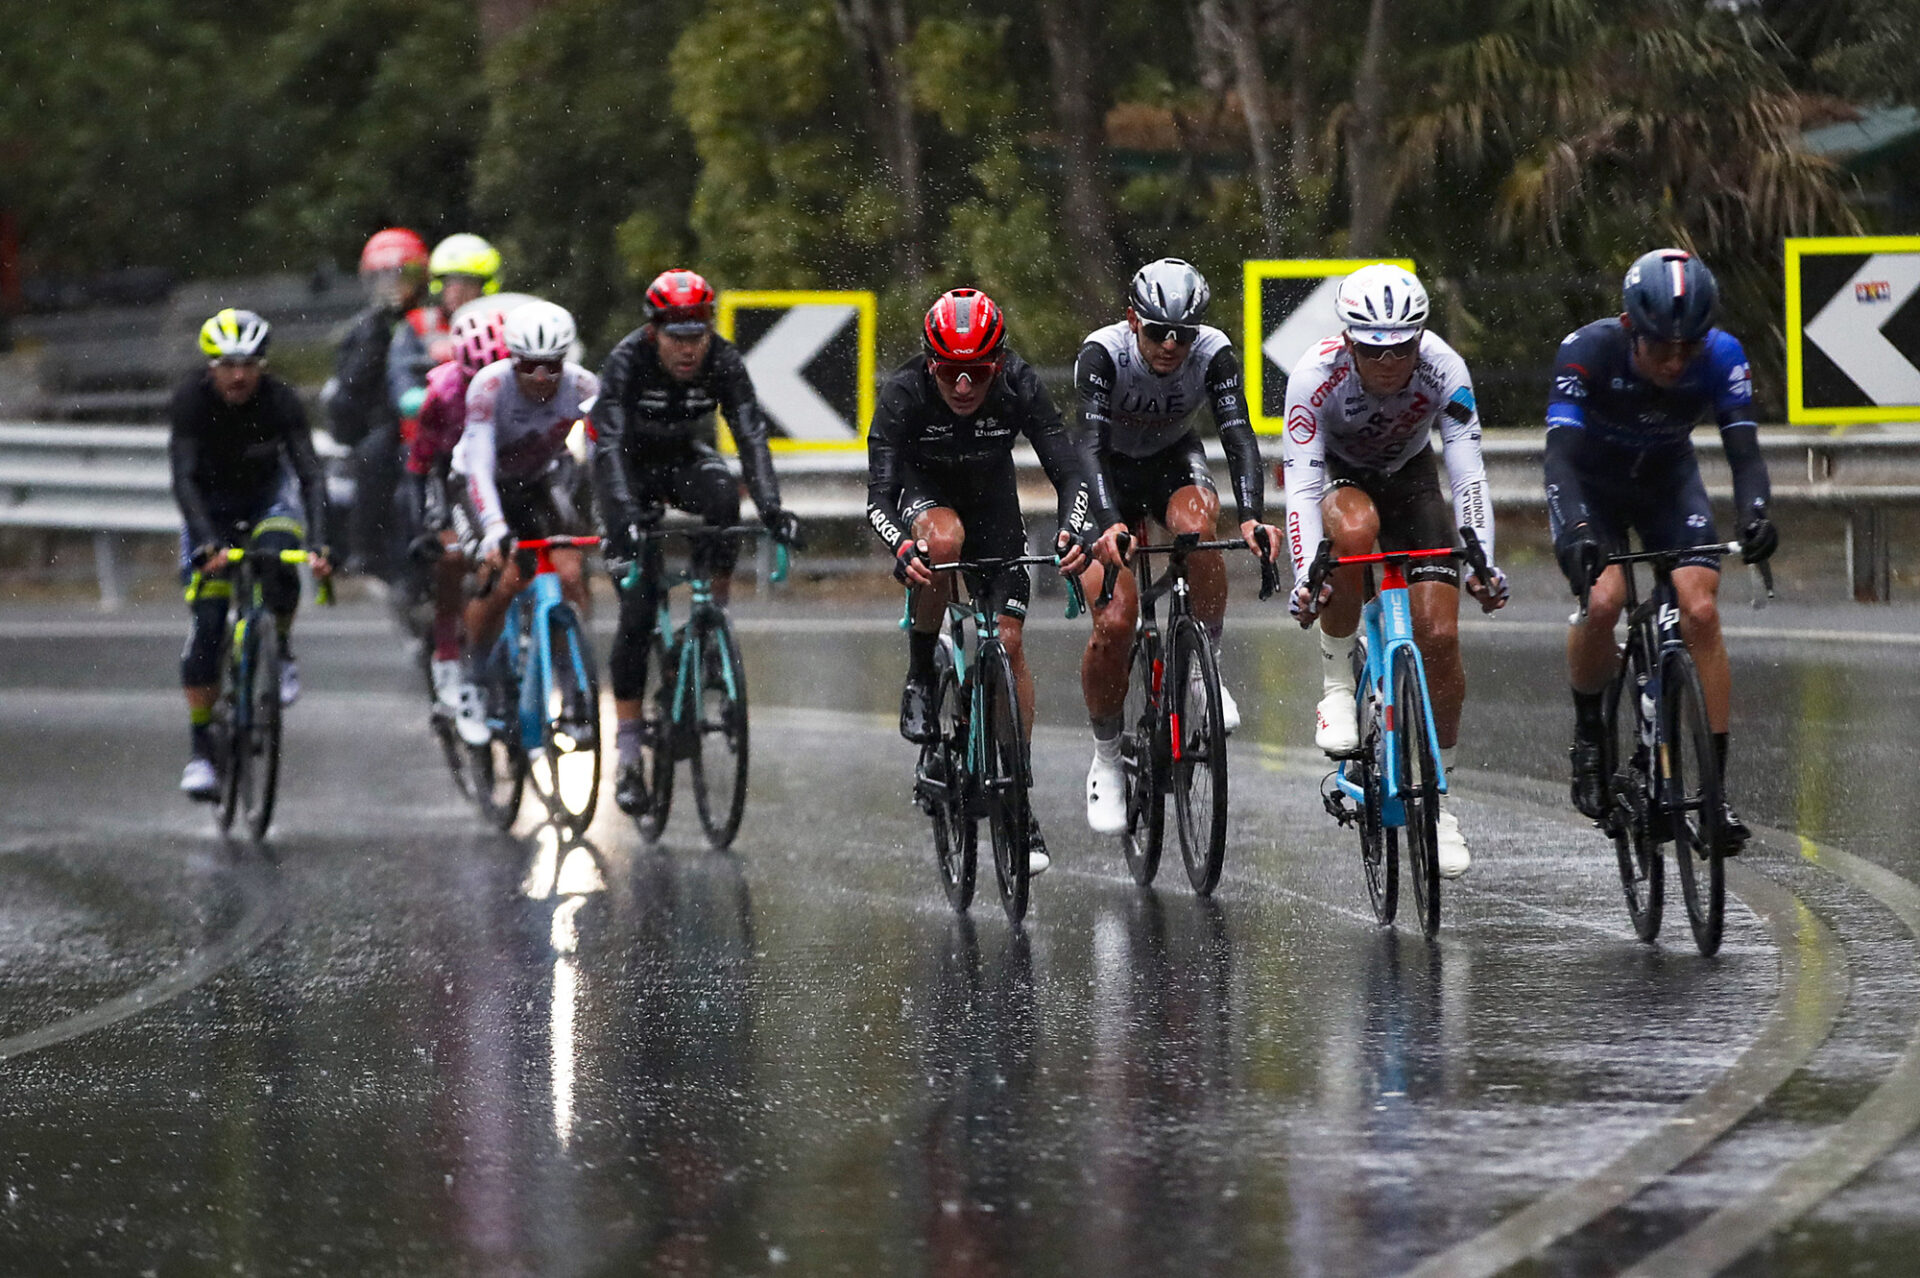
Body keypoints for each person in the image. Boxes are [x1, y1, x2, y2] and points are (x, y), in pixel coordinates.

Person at [866, 287, 1121, 876]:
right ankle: (921, 674)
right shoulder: (904, 394)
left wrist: (1070, 531)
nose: (963, 387)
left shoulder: (1018, 384)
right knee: (944, 541)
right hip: (923, 497)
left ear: (998, 363)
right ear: (932, 365)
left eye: (976, 372)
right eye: (951, 373)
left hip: (992, 501)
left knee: (1007, 641)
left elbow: (1070, 469)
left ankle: (1017, 799)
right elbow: (877, 494)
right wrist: (899, 544)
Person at [1282, 264, 1506, 879]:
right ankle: (1336, 685)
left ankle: (1440, 800)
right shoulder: (1313, 377)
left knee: (1440, 639)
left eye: (1402, 348)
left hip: (1412, 485)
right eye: (1375, 350)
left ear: (1420, 338)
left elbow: (1468, 476)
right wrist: (1306, 574)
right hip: (1341, 481)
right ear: (1350, 342)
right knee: (1353, 533)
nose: (1389, 363)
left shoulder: (1444, 370)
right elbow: (1301, 488)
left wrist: (1481, 558)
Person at [1547, 248, 1775, 848]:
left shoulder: (1722, 356)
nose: (1676, 361)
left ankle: (1714, 797)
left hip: (1667, 484)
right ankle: (1591, 735)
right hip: (1593, 492)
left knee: (1699, 608)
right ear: (1631, 330)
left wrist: (1755, 517)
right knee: (1604, 600)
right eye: (1660, 348)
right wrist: (1574, 533)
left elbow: (1744, 456)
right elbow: (1561, 459)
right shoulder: (1587, 351)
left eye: (1688, 348)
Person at [1072, 258, 1283, 834]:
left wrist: (1252, 518)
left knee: (1200, 526)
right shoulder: (1102, 353)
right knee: (1116, 622)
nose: (1170, 345)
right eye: (1157, 332)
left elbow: (1237, 433)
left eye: (1182, 334)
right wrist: (1111, 520)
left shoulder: (1214, 352)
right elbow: (1086, 446)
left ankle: (1201, 669)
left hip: (1170, 460)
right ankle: (1107, 759)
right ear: (1131, 320)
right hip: (1105, 473)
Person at [589, 269, 802, 814]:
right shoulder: (626, 362)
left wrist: (773, 509)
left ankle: (711, 615)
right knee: (637, 613)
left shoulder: (724, 360)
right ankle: (630, 758)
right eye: (676, 337)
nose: (688, 349)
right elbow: (608, 445)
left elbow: (751, 431)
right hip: (625, 472)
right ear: (652, 331)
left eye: (697, 335)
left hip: (683, 461)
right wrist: (627, 520)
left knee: (725, 501)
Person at [168, 309, 332, 798]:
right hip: (210, 511)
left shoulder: (280, 399)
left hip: (267, 502)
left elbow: (310, 474)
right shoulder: (191, 401)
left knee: (280, 562)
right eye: (227, 364)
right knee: (209, 625)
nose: (238, 375)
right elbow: (183, 477)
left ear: (262, 365)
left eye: (249, 364)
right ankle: (202, 751)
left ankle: (278, 649)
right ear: (211, 366)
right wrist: (204, 541)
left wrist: (322, 541)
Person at [451, 300, 599, 745]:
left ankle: (574, 692)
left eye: (551, 366)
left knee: (570, 572)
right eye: (529, 367)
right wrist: (495, 528)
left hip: (537, 480)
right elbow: (477, 464)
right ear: (512, 359)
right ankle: (475, 677)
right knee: (503, 576)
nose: (540, 378)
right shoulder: (488, 387)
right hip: (480, 484)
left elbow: (604, 455)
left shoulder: (585, 385)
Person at [410, 302, 511, 725]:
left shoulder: (519, 381)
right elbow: (422, 463)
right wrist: (429, 524)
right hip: (449, 473)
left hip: (504, 470)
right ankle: (447, 653)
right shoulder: (443, 392)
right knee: (453, 557)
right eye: (474, 378)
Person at [327, 227, 428, 578]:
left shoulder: (434, 321)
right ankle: (366, 548)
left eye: (401, 276)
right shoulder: (362, 331)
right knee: (372, 456)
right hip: (387, 425)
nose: (392, 287)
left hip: (436, 419)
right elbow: (345, 397)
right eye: (382, 278)